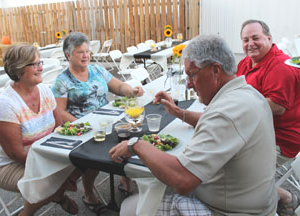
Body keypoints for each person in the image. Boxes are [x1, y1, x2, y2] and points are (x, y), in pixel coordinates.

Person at [109, 34, 277, 215]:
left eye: (192, 75)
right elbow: (215, 123)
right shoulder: (247, 94)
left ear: (215, 71)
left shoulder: (225, 113)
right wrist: (178, 112)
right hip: (251, 200)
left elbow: (183, 180)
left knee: (129, 207)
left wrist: (136, 144)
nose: (189, 84)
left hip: (228, 211)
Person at [51, 32, 144, 211]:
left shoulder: (97, 70)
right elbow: (60, 112)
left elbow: (118, 86)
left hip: (108, 120)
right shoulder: (62, 81)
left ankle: (125, 177)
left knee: (132, 135)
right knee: (94, 156)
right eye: (80, 52)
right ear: (68, 55)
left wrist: (131, 91)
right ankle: (88, 192)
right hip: (83, 127)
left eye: (87, 51)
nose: (86, 55)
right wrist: (84, 124)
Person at [0, 44, 81, 216]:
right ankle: (29, 212)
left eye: (40, 62)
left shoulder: (44, 90)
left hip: (44, 154)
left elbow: (59, 127)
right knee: (48, 181)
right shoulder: (6, 105)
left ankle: (57, 193)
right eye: (35, 64)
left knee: (84, 160)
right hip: (10, 165)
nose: (41, 68)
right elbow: (16, 155)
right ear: (18, 69)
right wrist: (54, 166)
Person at [237, 19, 300, 215]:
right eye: (245, 40)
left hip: (280, 138)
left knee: (234, 170)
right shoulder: (246, 62)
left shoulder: (280, 66)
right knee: (220, 158)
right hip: (254, 131)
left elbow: (277, 106)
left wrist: (235, 107)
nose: (250, 44)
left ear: (269, 38)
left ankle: (285, 197)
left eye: (255, 38)